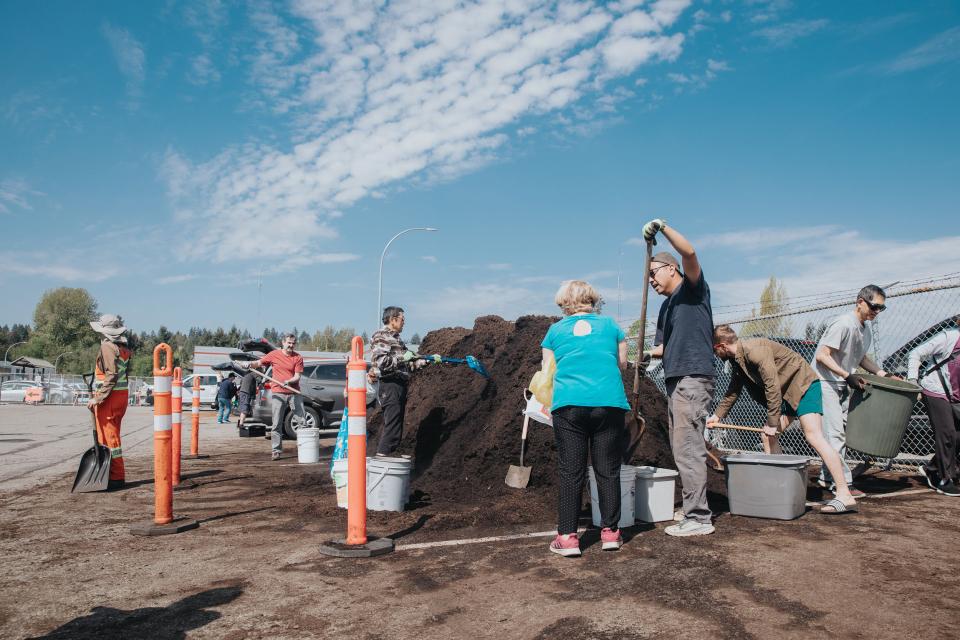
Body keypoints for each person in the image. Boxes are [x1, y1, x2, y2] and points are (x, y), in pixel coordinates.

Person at [709, 325, 859, 513]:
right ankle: (779, 488)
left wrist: (773, 423)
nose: (715, 354)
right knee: (768, 437)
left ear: (722, 346)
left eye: (714, 350)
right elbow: (733, 390)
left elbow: (771, 385)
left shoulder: (754, 351)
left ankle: (844, 494)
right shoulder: (737, 360)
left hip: (803, 386)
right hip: (786, 393)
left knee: (814, 437)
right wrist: (716, 416)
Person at [542, 280, 629, 556]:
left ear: (564, 302)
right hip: (609, 402)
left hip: (569, 404)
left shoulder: (555, 331)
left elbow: (547, 370)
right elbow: (622, 364)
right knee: (607, 469)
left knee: (571, 471)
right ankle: (611, 533)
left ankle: (567, 538)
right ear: (592, 300)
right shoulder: (611, 326)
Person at [643, 218, 716, 536]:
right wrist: (644, 355)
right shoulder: (666, 308)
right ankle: (691, 507)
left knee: (688, 447)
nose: (650, 281)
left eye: (653, 273)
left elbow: (689, 252)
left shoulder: (692, 289)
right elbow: (663, 347)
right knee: (680, 447)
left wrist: (662, 227)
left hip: (692, 377)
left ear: (671, 268)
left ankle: (699, 518)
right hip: (675, 379)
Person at [812, 285, 896, 494]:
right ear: (860, 302)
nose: (877, 311)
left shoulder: (865, 330)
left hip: (841, 383)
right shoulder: (843, 324)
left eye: (881, 308)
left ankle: (826, 477)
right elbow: (822, 355)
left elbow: (861, 358)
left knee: (839, 434)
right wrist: (846, 375)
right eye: (874, 306)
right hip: (824, 382)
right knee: (835, 435)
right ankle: (843, 484)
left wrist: (884, 374)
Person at [369, 306, 437, 457]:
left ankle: (388, 458)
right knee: (392, 426)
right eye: (402, 319)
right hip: (389, 384)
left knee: (396, 426)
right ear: (393, 319)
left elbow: (410, 363)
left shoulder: (398, 340)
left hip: (399, 384)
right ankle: (382, 460)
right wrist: (402, 358)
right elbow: (382, 362)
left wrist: (428, 360)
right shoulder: (381, 336)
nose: (404, 322)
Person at [908, 316, 960, 496]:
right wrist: (912, 380)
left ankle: (931, 468)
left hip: (955, 395)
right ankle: (945, 480)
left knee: (957, 436)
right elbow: (916, 353)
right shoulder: (949, 337)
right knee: (947, 433)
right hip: (935, 389)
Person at [87, 314, 131, 491]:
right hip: (121, 397)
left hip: (109, 399)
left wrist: (98, 398)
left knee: (109, 438)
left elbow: (111, 375)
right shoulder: (123, 348)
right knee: (113, 436)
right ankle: (113, 473)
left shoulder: (107, 346)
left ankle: (116, 477)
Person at [243, 333, 304, 460]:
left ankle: (306, 448)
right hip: (278, 393)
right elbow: (259, 362)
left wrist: (289, 381)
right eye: (289, 343)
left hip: (294, 393)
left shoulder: (298, 357)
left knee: (302, 422)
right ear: (283, 342)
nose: (291, 345)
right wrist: (249, 364)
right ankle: (276, 451)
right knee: (276, 423)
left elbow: (297, 376)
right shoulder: (274, 355)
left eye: (293, 343)